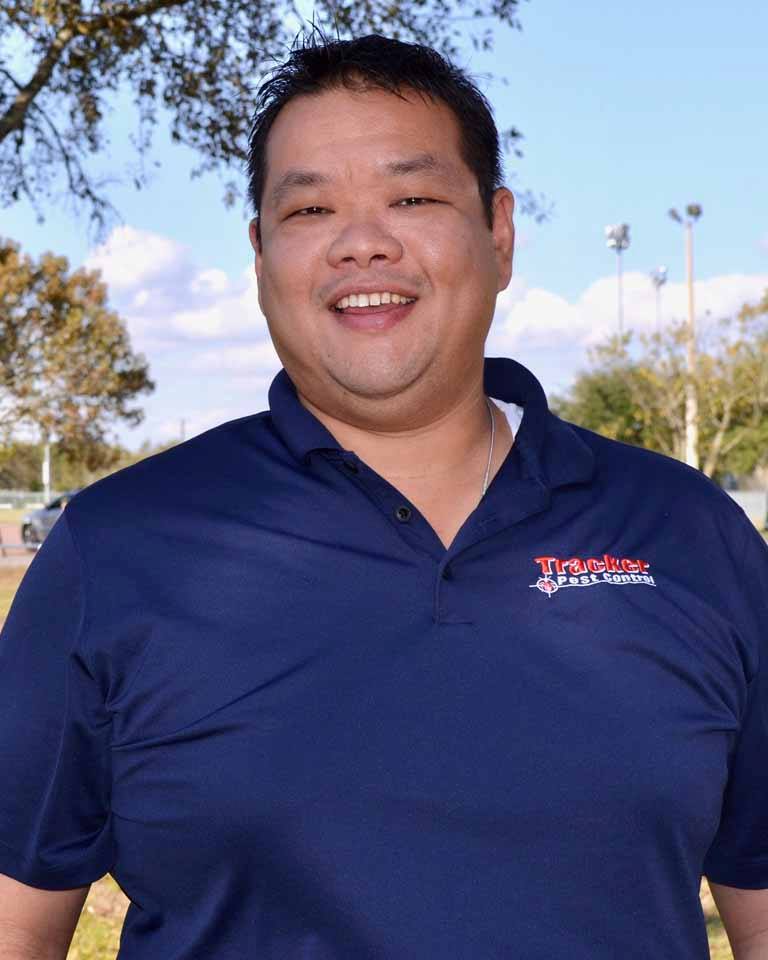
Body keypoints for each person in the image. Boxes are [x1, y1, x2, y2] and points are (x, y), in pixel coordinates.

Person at [1, 33, 767, 960]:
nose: (362, 242)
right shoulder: (116, 549)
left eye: (412, 197)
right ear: (261, 255)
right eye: (311, 208)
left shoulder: (692, 535)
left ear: (499, 233)